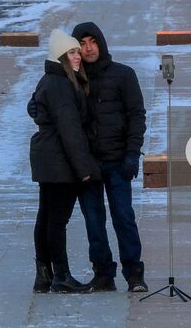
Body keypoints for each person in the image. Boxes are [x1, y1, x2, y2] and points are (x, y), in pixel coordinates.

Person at [66, 22, 147, 292]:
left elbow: (137, 116)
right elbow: (42, 104)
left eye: (93, 42)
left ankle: (134, 273)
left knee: (123, 217)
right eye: (82, 44)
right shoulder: (71, 79)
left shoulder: (123, 75)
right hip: (87, 165)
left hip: (117, 162)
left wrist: (132, 155)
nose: (88, 48)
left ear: (101, 43)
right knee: (93, 221)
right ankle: (103, 273)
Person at [28, 29, 99, 294]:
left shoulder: (51, 79)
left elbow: (36, 106)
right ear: (60, 56)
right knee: (56, 220)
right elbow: (70, 130)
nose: (78, 56)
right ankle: (61, 275)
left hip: (49, 157)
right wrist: (83, 169)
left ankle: (43, 275)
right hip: (59, 161)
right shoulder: (60, 84)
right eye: (72, 52)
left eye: (78, 52)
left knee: (46, 217)